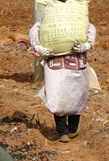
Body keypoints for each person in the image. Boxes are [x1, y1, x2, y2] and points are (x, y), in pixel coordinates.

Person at [30, 11, 96, 143]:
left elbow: (90, 29)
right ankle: (63, 131)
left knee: (75, 96)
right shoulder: (48, 20)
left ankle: (71, 129)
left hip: (74, 63)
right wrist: (38, 47)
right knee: (58, 95)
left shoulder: (77, 18)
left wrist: (87, 44)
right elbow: (34, 32)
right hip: (58, 66)